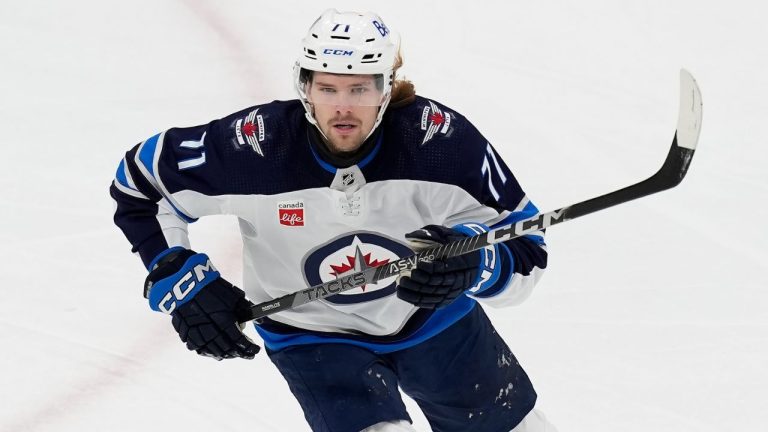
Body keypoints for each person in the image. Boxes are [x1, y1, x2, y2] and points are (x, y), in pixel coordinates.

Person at [111, 9, 556, 432]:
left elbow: (528, 243)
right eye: (328, 89)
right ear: (304, 87)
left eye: (359, 89)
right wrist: (180, 279)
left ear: (386, 88)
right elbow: (138, 184)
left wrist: (478, 262)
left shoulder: (441, 144)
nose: (343, 108)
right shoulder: (253, 150)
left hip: (436, 321)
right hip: (312, 337)